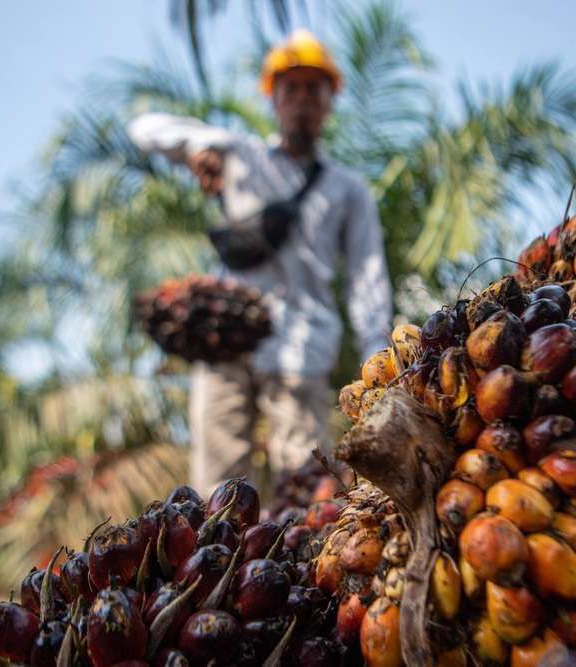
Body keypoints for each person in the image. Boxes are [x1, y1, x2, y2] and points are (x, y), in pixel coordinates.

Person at [129, 30, 393, 496]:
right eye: (291, 88)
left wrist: (378, 362)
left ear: (330, 100)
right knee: (217, 491)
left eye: (314, 88)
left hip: (301, 345)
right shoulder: (241, 156)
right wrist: (199, 147)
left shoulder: (347, 189)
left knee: (307, 489)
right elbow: (144, 129)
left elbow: (367, 276)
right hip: (225, 344)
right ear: (273, 97)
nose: (303, 99)